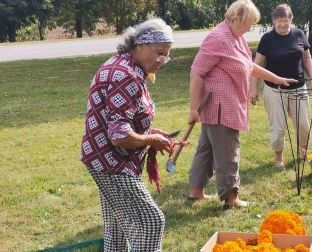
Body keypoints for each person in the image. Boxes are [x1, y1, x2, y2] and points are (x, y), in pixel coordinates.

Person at [187, 0, 298, 210]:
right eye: (248, 23)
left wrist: (276, 78)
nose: (250, 28)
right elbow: (196, 72)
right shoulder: (218, 38)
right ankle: (231, 198)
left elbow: (248, 66)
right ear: (236, 17)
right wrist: (193, 108)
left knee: (207, 149)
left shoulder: (235, 37)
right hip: (221, 107)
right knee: (229, 151)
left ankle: (196, 191)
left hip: (223, 105)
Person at [80, 18, 175, 251]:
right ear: (139, 46)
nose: (162, 61)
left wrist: (150, 133)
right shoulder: (125, 74)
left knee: (117, 226)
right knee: (151, 222)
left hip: (102, 158)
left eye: (166, 55)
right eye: (158, 53)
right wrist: (151, 139)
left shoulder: (126, 66)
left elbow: (121, 118)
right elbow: (119, 135)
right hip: (110, 161)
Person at [250, 4, 312, 169]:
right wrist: (252, 89)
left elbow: (307, 58)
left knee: (303, 123)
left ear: (291, 19)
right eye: (279, 20)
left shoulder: (299, 34)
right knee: (278, 126)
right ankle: (278, 157)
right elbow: (257, 64)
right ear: (274, 21)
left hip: (299, 88)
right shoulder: (267, 39)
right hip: (275, 90)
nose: (282, 24)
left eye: (286, 20)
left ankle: (303, 152)